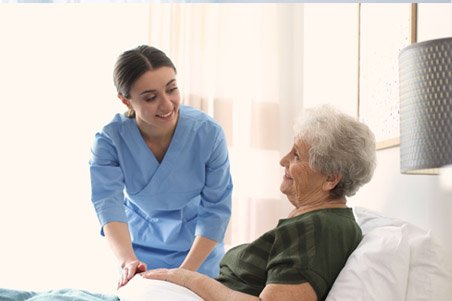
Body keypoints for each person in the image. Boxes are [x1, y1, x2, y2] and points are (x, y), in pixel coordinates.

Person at [134, 105, 377, 301]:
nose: (283, 161)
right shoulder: (316, 222)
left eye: (296, 156)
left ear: (331, 179)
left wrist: (187, 278)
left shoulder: (319, 228)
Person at [89, 45, 233, 288]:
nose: (167, 105)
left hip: (198, 251)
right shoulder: (109, 141)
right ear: (126, 101)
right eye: (150, 97)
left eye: (172, 89)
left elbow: (216, 210)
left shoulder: (208, 134)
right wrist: (127, 261)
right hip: (138, 252)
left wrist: (185, 274)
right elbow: (108, 205)